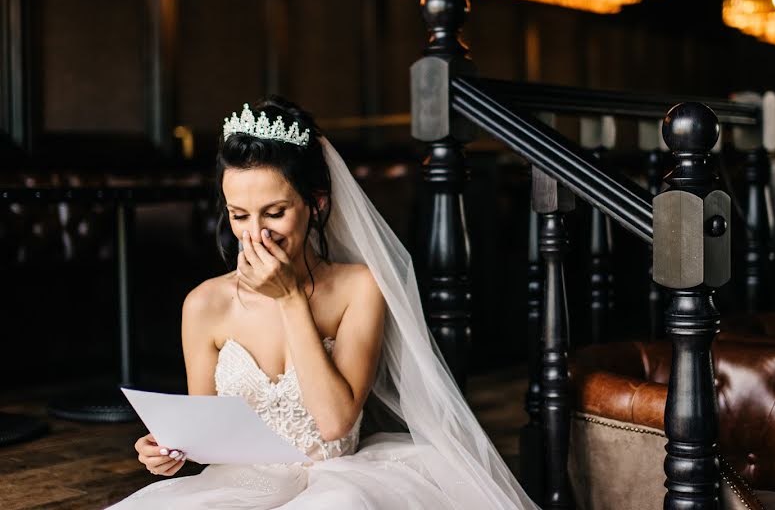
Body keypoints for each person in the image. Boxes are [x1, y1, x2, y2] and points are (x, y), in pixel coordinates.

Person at [107, 95, 538, 509]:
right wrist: (169, 451)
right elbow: (205, 437)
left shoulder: (359, 288)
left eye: (274, 212)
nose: (255, 234)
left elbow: (335, 422)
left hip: (340, 484)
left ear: (316, 204)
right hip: (238, 488)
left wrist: (291, 297)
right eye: (240, 215)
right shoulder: (204, 304)